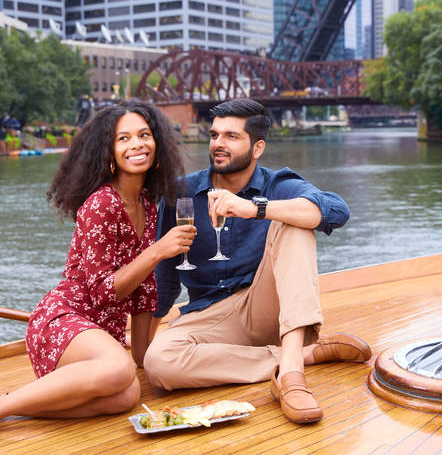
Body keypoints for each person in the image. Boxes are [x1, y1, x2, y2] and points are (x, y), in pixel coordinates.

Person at [0, 101, 196, 452]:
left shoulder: (149, 205)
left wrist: (148, 358)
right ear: (108, 152)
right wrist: (157, 252)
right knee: (120, 371)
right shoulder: (100, 204)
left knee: (129, 394)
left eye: (144, 135)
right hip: (62, 321)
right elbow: (104, 292)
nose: (136, 144)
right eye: (124, 138)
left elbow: (141, 292)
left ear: (158, 146)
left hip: (100, 342)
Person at [143, 98, 371, 424]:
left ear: (257, 147)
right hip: (210, 313)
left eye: (232, 137)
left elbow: (337, 210)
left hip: (266, 306)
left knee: (297, 220)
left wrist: (255, 209)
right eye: (215, 135)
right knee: (158, 363)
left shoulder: (276, 184)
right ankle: (306, 353)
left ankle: (291, 376)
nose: (219, 144)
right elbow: (166, 279)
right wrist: (144, 338)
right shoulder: (181, 193)